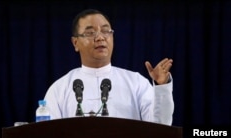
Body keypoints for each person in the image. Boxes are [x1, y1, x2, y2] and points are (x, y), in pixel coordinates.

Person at [43, 9, 174, 125]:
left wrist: (161, 87)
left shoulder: (136, 83)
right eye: (90, 33)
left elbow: (160, 127)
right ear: (75, 42)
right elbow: (46, 134)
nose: (100, 38)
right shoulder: (59, 89)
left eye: (106, 31)